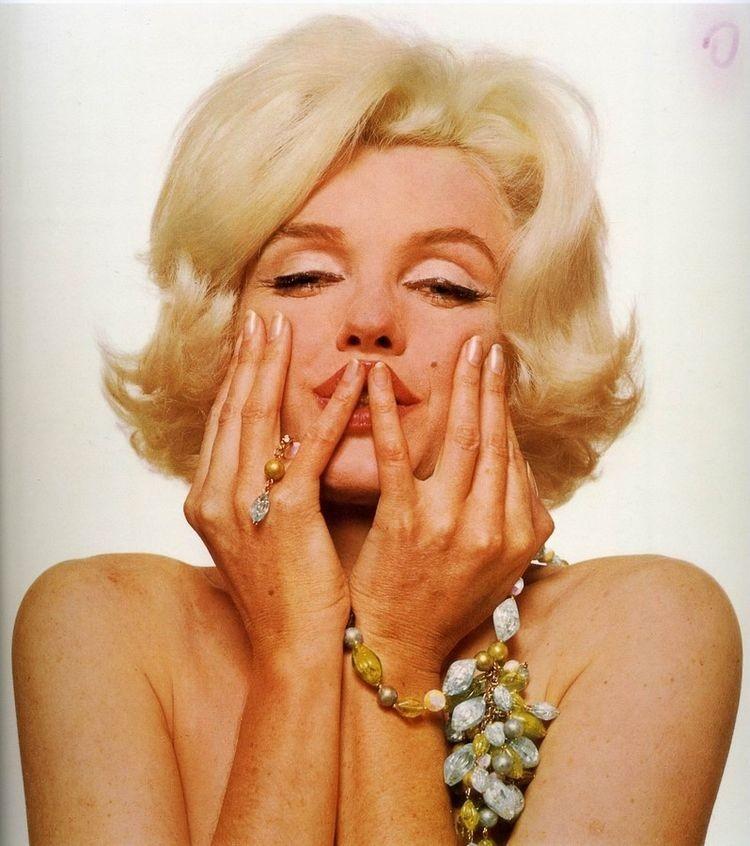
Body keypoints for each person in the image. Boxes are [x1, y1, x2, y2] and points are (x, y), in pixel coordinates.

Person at [12, 14, 741, 845]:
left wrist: (398, 646)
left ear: (524, 345)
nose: (369, 321)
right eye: (304, 276)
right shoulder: (101, 625)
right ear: (222, 331)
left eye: (443, 285)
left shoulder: (648, 626)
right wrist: (295, 651)